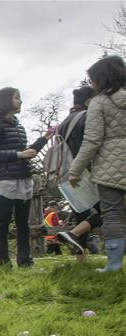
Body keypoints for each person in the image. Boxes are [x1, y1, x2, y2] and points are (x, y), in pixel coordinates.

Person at [68, 55, 126, 273]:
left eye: (93, 81)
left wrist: (76, 170)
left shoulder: (99, 103)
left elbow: (92, 140)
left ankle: (113, 265)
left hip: (109, 166)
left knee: (112, 213)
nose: (92, 85)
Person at [0, 87, 52, 268]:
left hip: (24, 178)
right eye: (17, 98)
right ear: (6, 100)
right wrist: (19, 155)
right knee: (4, 223)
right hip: (5, 180)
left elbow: (27, 152)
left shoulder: (19, 126)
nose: (20, 101)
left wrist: (44, 138)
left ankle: (25, 262)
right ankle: (3, 263)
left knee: (23, 225)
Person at [53, 86, 100, 262]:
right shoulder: (86, 117)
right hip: (86, 172)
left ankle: (81, 260)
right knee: (112, 211)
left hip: (66, 176)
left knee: (81, 214)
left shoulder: (63, 124)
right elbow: (92, 144)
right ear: (89, 100)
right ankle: (73, 233)